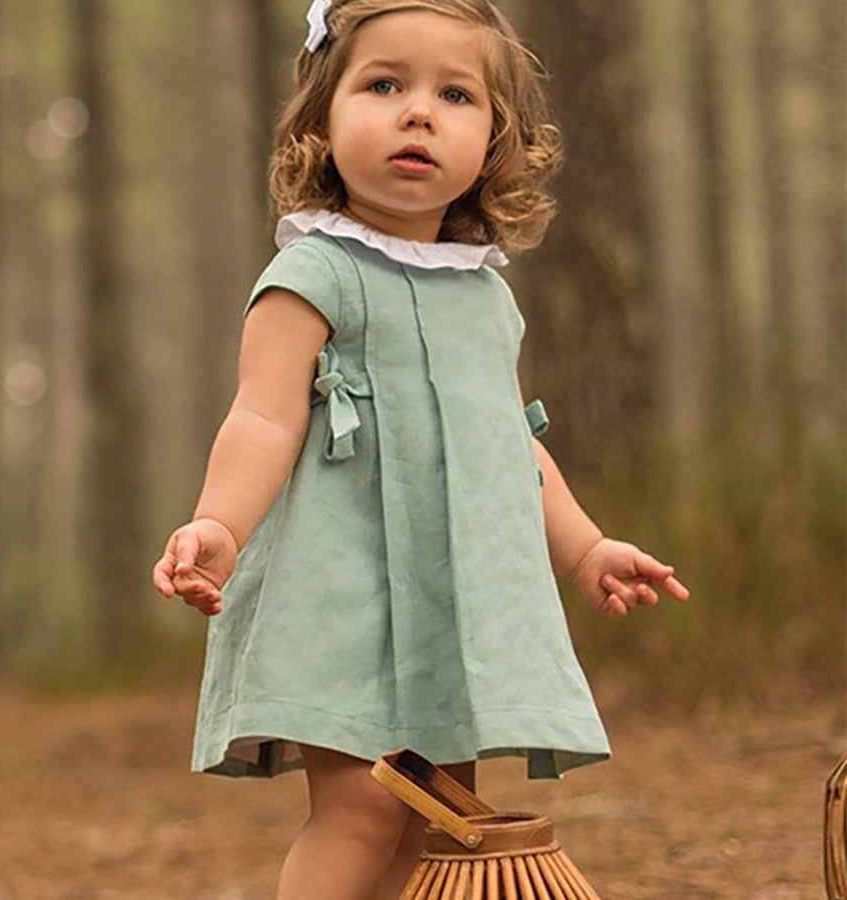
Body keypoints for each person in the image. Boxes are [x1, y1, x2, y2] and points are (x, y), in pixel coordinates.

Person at [152, 1, 690, 898]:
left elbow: (511, 442)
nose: (418, 112)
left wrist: (586, 545)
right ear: (322, 121)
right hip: (346, 598)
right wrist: (219, 525)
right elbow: (263, 418)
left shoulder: (485, 299)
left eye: (455, 94)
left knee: (440, 816)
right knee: (363, 807)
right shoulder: (314, 271)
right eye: (384, 84)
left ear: (496, 138)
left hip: (450, 604)